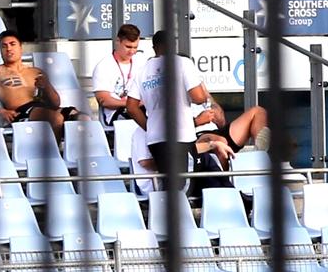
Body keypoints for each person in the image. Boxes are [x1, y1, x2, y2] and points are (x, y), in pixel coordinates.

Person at [126, 30, 208, 190]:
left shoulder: (143, 70)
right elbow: (198, 97)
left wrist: (149, 126)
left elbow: (131, 106)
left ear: (154, 47)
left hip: (156, 137)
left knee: (170, 183)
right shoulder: (182, 63)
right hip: (180, 134)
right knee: (182, 184)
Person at [0, 30, 87, 141]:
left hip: (44, 108)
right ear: (0, 51)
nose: (9, 49)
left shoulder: (36, 71)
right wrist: (0, 111)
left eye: (12, 44)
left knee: (83, 118)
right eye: (4, 46)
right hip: (21, 112)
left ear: (20, 47)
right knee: (56, 118)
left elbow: (56, 103)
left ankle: (76, 155)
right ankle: (53, 155)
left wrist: (46, 86)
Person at [193, 92, 271, 168]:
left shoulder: (199, 87)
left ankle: (260, 157)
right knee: (220, 141)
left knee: (258, 112)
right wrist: (197, 121)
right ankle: (226, 177)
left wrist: (217, 114)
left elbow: (222, 122)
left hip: (216, 130)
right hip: (196, 138)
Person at [92, 24, 146, 127]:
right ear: (118, 41)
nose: (132, 51)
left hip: (141, 108)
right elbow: (104, 100)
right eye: (128, 47)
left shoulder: (141, 62)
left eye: (135, 47)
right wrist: (132, 104)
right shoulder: (104, 66)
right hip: (117, 114)